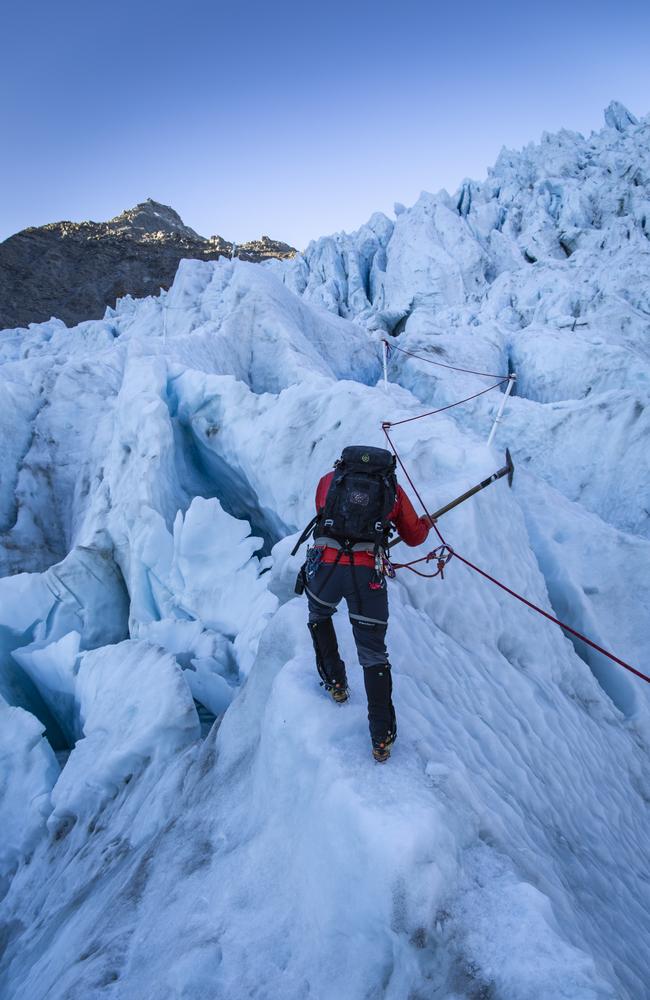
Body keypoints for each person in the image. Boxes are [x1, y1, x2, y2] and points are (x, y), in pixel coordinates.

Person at [294, 445, 433, 762]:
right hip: (366, 574)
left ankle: (335, 683)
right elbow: (413, 537)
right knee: (373, 655)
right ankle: (381, 738)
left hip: (326, 568)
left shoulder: (330, 480)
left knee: (319, 615)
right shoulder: (392, 490)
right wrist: (424, 523)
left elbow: (323, 512)